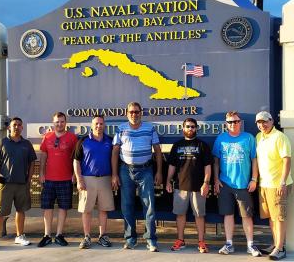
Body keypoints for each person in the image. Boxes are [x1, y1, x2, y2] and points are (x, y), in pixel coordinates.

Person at [111, 102, 163, 252]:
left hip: (146, 170)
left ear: (141, 113)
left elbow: (157, 151)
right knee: (127, 206)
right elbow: (115, 152)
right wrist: (114, 174)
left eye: (137, 112)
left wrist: (159, 172)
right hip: (125, 171)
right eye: (131, 112)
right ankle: (130, 239)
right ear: (127, 114)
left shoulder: (149, 128)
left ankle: (151, 240)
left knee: (150, 206)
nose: (134, 114)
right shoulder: (121, 129)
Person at [213, 111, 261, 257]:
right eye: (230, 122)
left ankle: (250, 245)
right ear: (226, 124)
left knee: (246, 215)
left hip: (243, 183)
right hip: (225, 183)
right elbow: (215, 161)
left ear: (240, 122)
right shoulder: (221, 138)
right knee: (228, 214)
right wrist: (216, 179)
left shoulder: (249, 138)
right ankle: (229, 244)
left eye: (235, 121)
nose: (233, 124)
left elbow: (254, 159)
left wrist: (254, 179)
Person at [0, 117, 37, 250]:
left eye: (19, 125)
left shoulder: (27, 144)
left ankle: (20, 236)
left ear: (22, 128)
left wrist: (29, 180)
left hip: (22, 184)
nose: (17, 127)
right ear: (9, 127)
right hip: (5, 184)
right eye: (14, 125)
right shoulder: (2, 142)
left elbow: (32, 162)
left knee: (21, 210)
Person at [166, 118, 212, 253]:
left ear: (196, 128)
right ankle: (180, 240)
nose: (190, 129)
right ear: (183, 128)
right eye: (188, 126)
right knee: (180, 215)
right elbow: (172, 166)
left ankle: (201, 242)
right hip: (180, 187)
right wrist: (168, 180)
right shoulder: (177, 145)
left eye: (193, 127)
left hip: (199, 187)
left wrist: (206, 183)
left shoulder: (202, 145)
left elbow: (208, 166)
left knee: (199, 215)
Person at [255, 111, 293, 261]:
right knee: (271, 217)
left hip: (278, 185)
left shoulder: (280, 137)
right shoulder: (259, 137)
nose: (262, 125)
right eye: (259, 122)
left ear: (272, 121)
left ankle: (280, 248)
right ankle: (275, 244)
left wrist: (282, 181)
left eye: (265, 121)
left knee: (279, 217)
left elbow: (287, 160)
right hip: (264, 184)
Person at [73, 115, 115, 249]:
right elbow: (76, 161)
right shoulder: (83, 141)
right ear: (91, 125)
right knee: (86, 210)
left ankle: (102, 236)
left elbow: (114, 160)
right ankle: (87, 237)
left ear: (104, 125)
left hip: (105, 179)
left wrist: (114, 176)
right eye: (96, 124)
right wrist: (79, 179)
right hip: (87, 179)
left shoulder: (110, 141)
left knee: (103, 209)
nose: (99, 126)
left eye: (101, 124)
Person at [37, 112, 78, 247]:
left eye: (62, 121)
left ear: (65, 123)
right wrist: (41, 173)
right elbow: (43, 156)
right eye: (57, 122)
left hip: (66, 178)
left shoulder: (72, 138)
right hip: (48, 179)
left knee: (63, 208)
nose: (59, 124)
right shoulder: (47, 137)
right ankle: (47, 235)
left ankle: (59, 235)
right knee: (47, 207)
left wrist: (74, 175)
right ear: (53, 123)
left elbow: (76, 158)